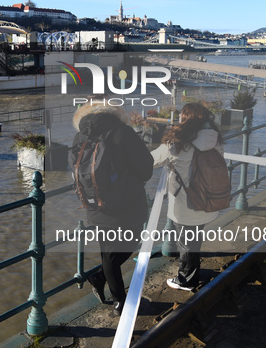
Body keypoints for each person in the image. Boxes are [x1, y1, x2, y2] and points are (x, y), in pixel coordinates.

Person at [72, 98, 154, 315]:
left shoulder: (80, 135)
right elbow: (145, 168)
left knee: (108, 252)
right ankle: (120, 302)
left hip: (94, 204)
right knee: (131, 242)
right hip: (127, 202)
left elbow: (74, 167)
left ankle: (101, 278)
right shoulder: (123, 131)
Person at [151, 103, 224, 291]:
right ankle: (192, 271)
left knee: (186, 243)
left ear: (186, 119)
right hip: (209, 198)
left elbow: (151, 160)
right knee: (194, 238)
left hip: (186, 203)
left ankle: (187, 280)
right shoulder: (215, 139)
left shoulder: (177, 143)